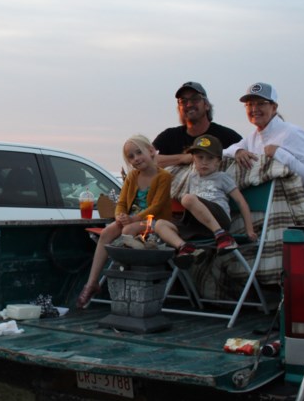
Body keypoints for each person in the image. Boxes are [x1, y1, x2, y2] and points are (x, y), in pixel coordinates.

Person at [77, 135, 172, 309]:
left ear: (151, 151)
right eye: (131, 156)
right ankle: (92, 283)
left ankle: (124, 277)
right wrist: (120, 215)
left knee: (128, 230)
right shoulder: (132, 177)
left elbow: (157, 206)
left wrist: (133, 219)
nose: (136, 159)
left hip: (154, 221)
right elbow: (121, 202)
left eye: (139, 153)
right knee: (106, 233)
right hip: (131, 219)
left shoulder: (164, 176)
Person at [224, 82, 304, 224]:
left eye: (260, 104)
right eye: (250, 104)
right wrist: (238, 151)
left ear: (274, 107)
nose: (254, 109)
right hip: (283, 210)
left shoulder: (293, 133)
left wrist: (280, 154)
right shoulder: (252, 137)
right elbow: (224, 152)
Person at [153, 135, 256, 268]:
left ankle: (222, 236)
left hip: (219, 219)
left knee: (187, 198)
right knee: (159, 224)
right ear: (193, 160)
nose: (204, 162)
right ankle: (185, 248)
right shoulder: (192, 177)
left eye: (210, 158)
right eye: (200, 157)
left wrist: (249, 229)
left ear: (218, 161)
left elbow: (241, 202)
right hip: (199, 225)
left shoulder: (222, 177)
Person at [153, 81, 243, 168]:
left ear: (206, 105)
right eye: (183, 101)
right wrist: (184, 158)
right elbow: (148, 159)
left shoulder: (228, 137)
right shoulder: (168, 136)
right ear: (179, 108)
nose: (189, 104)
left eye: (195, 99)